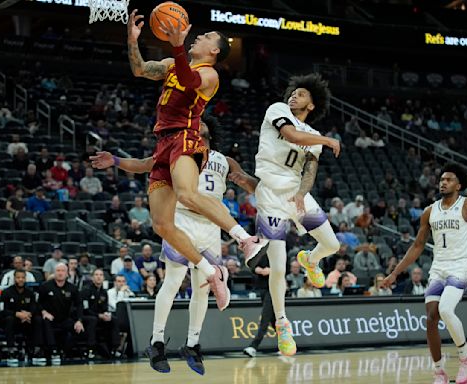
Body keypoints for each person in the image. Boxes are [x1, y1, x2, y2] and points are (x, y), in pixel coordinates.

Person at [96, 9, 268, 319]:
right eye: (197, 35)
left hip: (186, 138)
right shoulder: (170, 66)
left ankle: (245, 240)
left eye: (204, 37)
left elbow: (189, 82)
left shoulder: (210, 74)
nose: (198, 37)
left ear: (214, 50)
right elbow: (140, 70)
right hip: (163, 144)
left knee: (188, 194)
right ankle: (211, 272)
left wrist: (177, 45)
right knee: (162, 224)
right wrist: (132, 42)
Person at [92, 115, 256, 374]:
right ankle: (156, 342)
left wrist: (263, 186)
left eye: (201, 123)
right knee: (173, 281)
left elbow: (250, 183)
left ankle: (192, 344)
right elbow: (145, 164)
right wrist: (114, 160)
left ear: (209, 130)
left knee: (204, 287)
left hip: (211, 226)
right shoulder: (178, 150)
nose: (196, 124)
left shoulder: (225, 160)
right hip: (181, 219)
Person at [228, 73, 341, 356]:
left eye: (301, 94)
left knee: (332, 245)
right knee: (278, 267)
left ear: (312, 105)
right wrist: (328, 139)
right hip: (269, 195)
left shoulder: (313, 137)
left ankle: (310, 259)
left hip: (294, 193)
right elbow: (291, 135)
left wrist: (303, 193)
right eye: (293, 92)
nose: (294, 96)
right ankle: (282, 323)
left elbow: (310, 171)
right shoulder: (277, 110)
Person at [382, 164, 467, 384]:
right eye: (441, 179)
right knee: (431, 318)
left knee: (445, 310)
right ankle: (439, 371)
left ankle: (466, 359)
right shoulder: (430, 211)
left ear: (458, 185)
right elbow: (417, 246)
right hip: (438, 267)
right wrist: (395, 273)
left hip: (460, 266)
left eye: (448, 179)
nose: (443, 182)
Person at [39, 263, 96, 363]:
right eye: (58, 271)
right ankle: (53, 351)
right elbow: (38, 303)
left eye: (63, 271)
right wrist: (44, 312)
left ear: (67, 274)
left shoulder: (72, 288)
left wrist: (79, 320)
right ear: (54, 273)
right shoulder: (45, 286)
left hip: (65, 318)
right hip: (50, 318)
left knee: (77, 328)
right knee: (45, 322)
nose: (60, 273)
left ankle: (69, 352)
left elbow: (79, 305)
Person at [0, 269, 46, 365]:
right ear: (14, 278)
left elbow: (34, 307)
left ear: (25, 279)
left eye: (23, 277)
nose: (20, 280)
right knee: (9, 319)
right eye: (18, 277)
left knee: (38, 319)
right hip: (12, 321)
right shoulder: (6, 292)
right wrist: (17, 314)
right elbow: (3, 311)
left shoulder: (30, 293)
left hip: (26, 320)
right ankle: (11, 351)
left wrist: (28, 314)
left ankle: (37, 350)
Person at [81, 269, 122, 358]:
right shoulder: (86, 290)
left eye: (101, 275)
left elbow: (105, 308)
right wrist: (99, 315)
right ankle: (91, 349)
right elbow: (85, 309)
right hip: (87, 316)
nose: (99, 277)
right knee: (93, 320)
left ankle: (115, 348)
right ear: (92, 277)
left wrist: (106, 314)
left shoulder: (104, 292)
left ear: (103, 278)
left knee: (113, 319)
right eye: (96, 275)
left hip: (100, 316)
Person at [243, 256, 273, 358]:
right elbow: (252, 266)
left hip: (274, 288)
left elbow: (284, 267)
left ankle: (253, 346)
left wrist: (272, 270)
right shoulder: (260, 252)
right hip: (262, 289)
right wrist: (257, 269)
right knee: (273, 320)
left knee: (265, 318)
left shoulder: (278, 250)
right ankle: (288, 345)